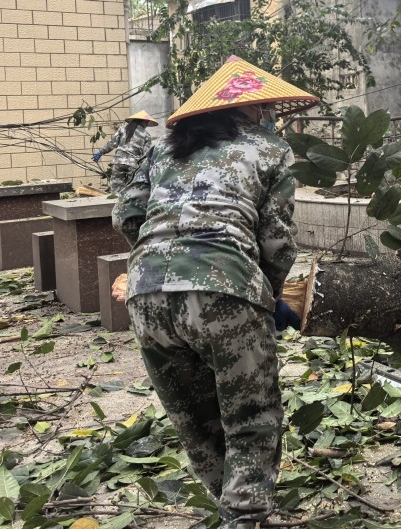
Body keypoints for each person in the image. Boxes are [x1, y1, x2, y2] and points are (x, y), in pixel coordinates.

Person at [111, 56, 318, 529]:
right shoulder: (269, 148)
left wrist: (157, 261)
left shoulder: (162, 149)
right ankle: (244, 517)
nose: (268, 114)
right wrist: (266, 296)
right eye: (264, 107)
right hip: (227, 288)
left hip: (145, 296)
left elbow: (126, 215)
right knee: (251, 416)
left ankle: (233, 510)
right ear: (251, 108)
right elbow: (277, 239)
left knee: (194, 418)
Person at [92, 110, 157, 194]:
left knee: (115, 189)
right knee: (131, 189)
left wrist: (101, 152)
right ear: (144, 122)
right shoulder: (146, 135)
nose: (147, 125)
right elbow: (145, 154)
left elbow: (112, 143)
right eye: (147, 123)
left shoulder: (123, 129)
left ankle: (115, 200)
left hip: (118, 162)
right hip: (134, 164)